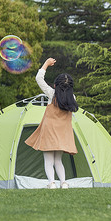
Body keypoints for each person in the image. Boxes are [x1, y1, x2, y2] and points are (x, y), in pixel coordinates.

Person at [25, 58, 79, 189]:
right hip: (62, 133)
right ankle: (64, 183)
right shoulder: (73, 99)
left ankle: (51, 183)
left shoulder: (52, 94)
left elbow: (39, 79)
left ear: (55, 85)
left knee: (48, 160)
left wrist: (45, 64)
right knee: (58, 160)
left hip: (49, 132)